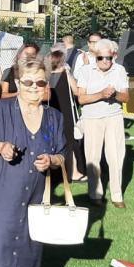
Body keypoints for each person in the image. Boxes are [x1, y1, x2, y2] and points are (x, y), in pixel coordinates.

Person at [0, 57, 66, 267]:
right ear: (17, 82)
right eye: (28, 82)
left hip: (33, 196)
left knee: (26, 249)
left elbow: (63, 155)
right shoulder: (1, 109)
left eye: (40, 82)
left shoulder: (53, 117)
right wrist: (1, 147)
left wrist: (52, 160)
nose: (35, 87)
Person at [76, 39, 129, 208]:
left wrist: (114, 95)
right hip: (92, 118)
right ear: (95, 57)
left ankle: (117, 195)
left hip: (114, 116)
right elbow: (81, 98)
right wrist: (101, 94)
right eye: (100, 58)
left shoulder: (120, 70)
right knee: (93, 157)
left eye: (108, 57)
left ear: (114, 55)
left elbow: (126, 97)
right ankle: (95, 194)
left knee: (116, 156)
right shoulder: (85, 71)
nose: (105, 61)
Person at [45, 44, 86, 180]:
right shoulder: (65, 74)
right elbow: (76, 91)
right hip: (67, 112)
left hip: (51, 112)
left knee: (54, 141)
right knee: (70, 142)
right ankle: (73, 171)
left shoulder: (46, 77)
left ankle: (55, 173)